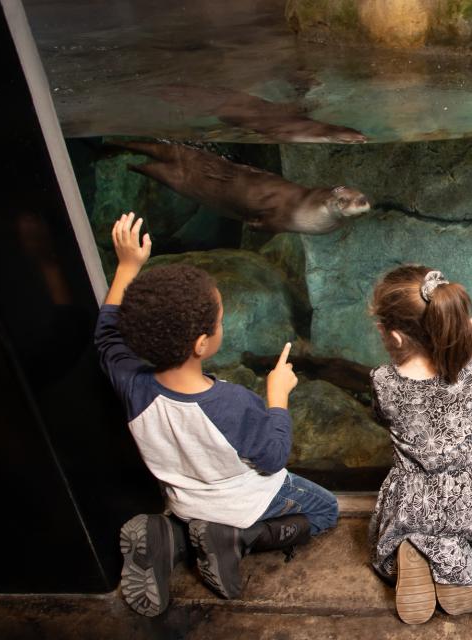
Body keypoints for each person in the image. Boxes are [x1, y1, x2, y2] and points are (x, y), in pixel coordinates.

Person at [95, 212, 338, 615]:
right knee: (324, 510)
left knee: (191, 519)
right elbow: (273, 456)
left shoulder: (131, 384)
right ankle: (239, 539)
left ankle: (172, 537)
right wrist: (278, 396)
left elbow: (106, 334)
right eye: (221, 320)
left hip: (184, 502)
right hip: (248, 502)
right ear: (202, 343)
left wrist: (127, 266)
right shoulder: (231, 403)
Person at [367, 266, 472, 624]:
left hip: (409, 500)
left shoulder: (382, 380)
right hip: (465, 495)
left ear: (394, 336)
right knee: (469, 532)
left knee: (416, 522)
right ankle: (453, 561)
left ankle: (412, 545)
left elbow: (382, 416)